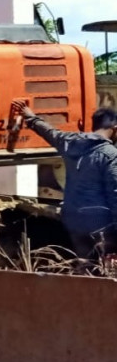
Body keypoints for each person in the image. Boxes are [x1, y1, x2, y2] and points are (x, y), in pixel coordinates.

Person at [12, 100, 117, 260]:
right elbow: (115, 194)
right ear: (114, 129)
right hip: (100, 224)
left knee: (85, 264)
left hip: (73, 220)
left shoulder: (70, 142)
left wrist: (31, 117)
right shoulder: (110, 155)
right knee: (104, 271)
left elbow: (50, 132)